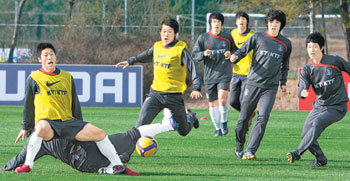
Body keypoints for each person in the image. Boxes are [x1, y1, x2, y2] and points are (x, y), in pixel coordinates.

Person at [15, 43, 129, 175]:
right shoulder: (34, 78)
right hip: (48, 123)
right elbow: (28, 104)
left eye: (51, 54)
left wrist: (79, 124)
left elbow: (75, 102)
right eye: (45, 55)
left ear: (56, 57)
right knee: (40, 127)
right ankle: (28, 165)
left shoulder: (67, 77)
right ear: (40, 59)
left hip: (67, 122)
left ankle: (117, 164)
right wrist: (25, 127)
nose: (49, 57)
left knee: (101, 134)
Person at [2, 109, 177, 174]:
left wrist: (6, 168)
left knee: (131, 134)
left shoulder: (60, 121)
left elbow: (20, 159)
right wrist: (5, 168)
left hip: (91, 149)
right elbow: (21, 158)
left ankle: (167, 125)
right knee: (129, 138)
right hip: (84, 159)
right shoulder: (38, 143)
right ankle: (116, 160)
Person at [115, 17, 202, 136]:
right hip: (155, 94)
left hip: (174, 97)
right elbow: (146, 55)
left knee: (183, 131)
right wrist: (131, 61)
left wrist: (196, 87)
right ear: (160, 32)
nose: (166, 34)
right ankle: (125, 154)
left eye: (170, 32)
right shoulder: (157, 47)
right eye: (164, 31)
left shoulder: (180, 50)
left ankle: (190, 117)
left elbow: (193, 69)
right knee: (140, 126)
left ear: (175, 34)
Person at [230, 9, 292, 159]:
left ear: (281, 25)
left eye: (277, 22)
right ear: (267, 23)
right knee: (243, 120)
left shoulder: (286, 44)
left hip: (270, 88)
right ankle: (239, 146)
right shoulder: (257, 37)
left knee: (263, 117)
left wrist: (283, 82)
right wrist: (235, 56)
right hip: (252, 84)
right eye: (271, 22)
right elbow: (243, 50)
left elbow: (285, 65)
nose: (274, 25)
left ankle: (250, 150)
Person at [286, 32, 349, 167]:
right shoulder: (307, 69)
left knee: (318, 123)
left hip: (337, 107)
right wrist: (302, 92)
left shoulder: (335, 61)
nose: (311, 50)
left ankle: (297, 152)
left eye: (314, 47)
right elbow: (302, 86)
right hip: (320, 106)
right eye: (309, 47)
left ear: (321, 47)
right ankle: (320, 158)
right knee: (306, 135)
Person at [192, 12, 237, 137]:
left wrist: (231, 54)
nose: (216, 24)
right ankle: (217, 129)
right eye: (214, 22)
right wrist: (203, 54)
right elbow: (194, 55)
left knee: (222, 99)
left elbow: (236, 51)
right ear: (210, 23)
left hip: (224, 73)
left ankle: (224, 121)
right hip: (209, 76)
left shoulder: (227, 38)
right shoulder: (203, 38)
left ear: (221, 24)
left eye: (218, 22)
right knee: (212, 104)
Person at [230, 11, 256, 135]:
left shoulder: (253, 35)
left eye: (243, 19)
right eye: (239, 19)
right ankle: (249, 114)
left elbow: (257, 52)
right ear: (235, 21)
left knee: (243, 101)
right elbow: (229, 49)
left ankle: (244, 127)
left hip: (248, 74)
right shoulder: (232, 34)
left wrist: (254, 63)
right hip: (235, 72)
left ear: (247, 21)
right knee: (233, 101)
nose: (241, 21)